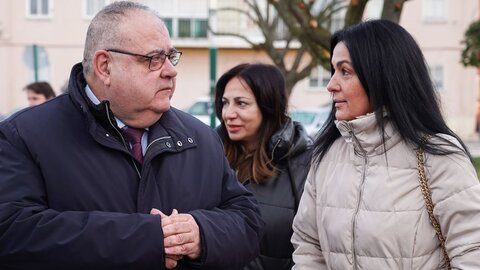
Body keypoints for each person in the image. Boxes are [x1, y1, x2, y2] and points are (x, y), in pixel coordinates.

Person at [0, 2, 263, 270]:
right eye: (153, 59)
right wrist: (147, 239)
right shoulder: (25, 136)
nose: (171, 71)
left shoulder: (200, 138)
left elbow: (248, 222)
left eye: (170, 58)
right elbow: (12, 233)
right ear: (105, 66)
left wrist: (199, 234)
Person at [291, 19, 480, 269]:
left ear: (382, 75)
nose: (331, 85)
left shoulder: (440, 156)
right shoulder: (327, 155)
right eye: (333, 71)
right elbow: (307, 247)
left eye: (345, 71)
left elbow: (472, 253)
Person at [214, 63, 313, 270]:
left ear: (268, 106)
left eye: (241, 104)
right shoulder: (211, 157)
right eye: (225, 103)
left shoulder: (305, 163)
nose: (228, 113)